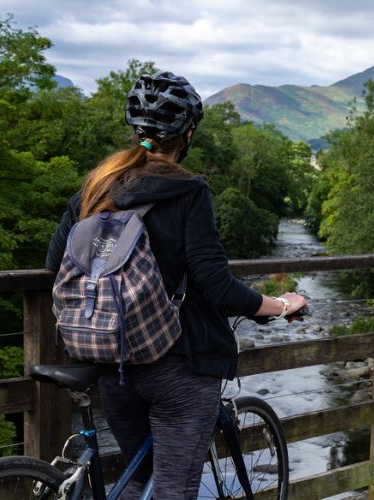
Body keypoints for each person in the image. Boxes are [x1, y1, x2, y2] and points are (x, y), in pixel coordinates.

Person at [45, 71, 307, 498]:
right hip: (177, 367)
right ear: (187, 135)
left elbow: (55, 263)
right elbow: (217, 287)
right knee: (173, 487)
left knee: (138, 479)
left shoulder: (96, 185)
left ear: (136, 131)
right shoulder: (188, 191)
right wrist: (280, 304)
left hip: (111, 362)